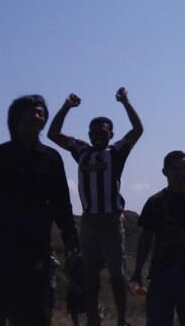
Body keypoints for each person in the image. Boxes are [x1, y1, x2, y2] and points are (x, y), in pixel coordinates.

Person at [0, 94, 79, 326]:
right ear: (16, 118)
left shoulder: (51, 158)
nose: (38, 115)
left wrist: (71, 241)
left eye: (41, 112)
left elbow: (62, 204)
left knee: (34, 313)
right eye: (32, 111)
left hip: (35, 247)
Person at [47, 87, 144, 326]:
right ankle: (92, 318)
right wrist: (66, 106)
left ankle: (121, 319)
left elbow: (138, 130)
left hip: (111, 219)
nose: (98, 135)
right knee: (90, 274)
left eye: (103, 131)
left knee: (116, 273)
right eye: (94, 131)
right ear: (88, 134)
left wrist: (125, 102)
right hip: (89, 220)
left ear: (111, 134)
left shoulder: (117, 151)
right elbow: (53, 134)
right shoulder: (81, 150)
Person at [131, 151, 185, 326]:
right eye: (175, 169)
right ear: (165, 171)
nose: (180, 173)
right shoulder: (155, 202)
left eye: (184, 169)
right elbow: (145, 238)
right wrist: (138, 270)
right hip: (161, 275)